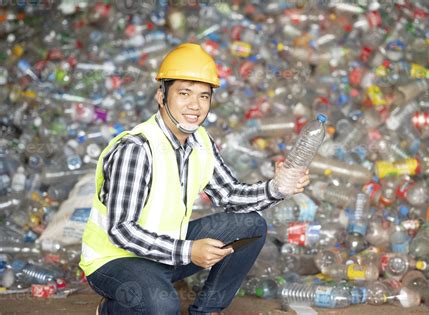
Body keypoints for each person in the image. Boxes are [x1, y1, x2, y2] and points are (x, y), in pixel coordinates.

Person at [79, 43, 310, 314]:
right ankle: (111, 310)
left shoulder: (200, 141)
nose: (195, 105)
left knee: (252, 225)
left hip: (167, 248)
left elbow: (230, 195)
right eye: (184, 93)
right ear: (161, 95)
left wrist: (277, 187)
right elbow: (122, 230)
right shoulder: (137, 149)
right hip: (116, 260)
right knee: (162, 305)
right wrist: (188, 251)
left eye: (203, 96)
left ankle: (206, 310)